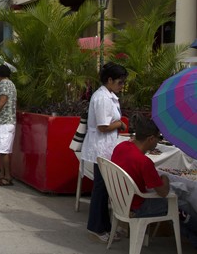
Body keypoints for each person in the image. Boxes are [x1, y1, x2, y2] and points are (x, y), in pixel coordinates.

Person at [111, 114, 197, 248]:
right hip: (138, 207)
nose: (158, 142)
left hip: (120, 201)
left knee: (179, 209)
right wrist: (165, 178)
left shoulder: (121, 147)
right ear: (151, 139)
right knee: (183, 205)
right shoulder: (144, 162)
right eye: (159, 138)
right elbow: (163, 192)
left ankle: (192, 238)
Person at [80, 62, 128, 243]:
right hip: (101, 147)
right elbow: (103, 126)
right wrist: (120, 124)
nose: (122, 86)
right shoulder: (101, 98)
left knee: (105, 188)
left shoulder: (108, 96)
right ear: (109, 80)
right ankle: (96, 228)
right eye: (120, 82)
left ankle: (105, 226)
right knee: (101, 189)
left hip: (106, 147)